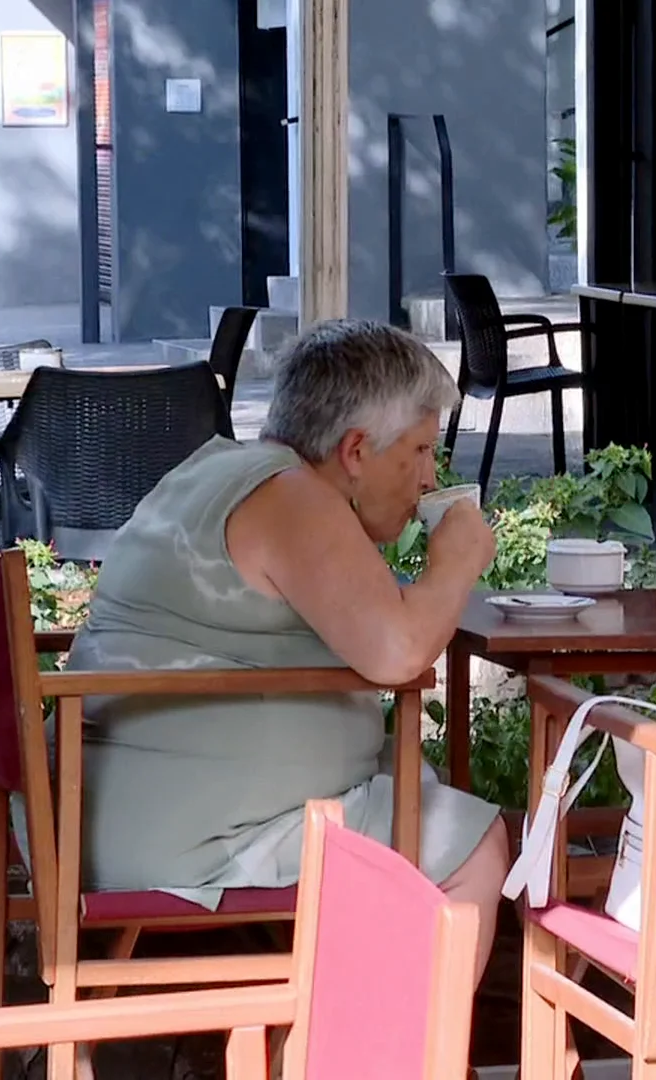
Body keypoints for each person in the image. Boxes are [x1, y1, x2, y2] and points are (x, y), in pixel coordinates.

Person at [66, 319, 510, 980]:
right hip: (193, 839)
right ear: (356, 450)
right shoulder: (293, 499)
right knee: (473, 844)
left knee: (417, 793)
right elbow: (397, 652)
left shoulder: (227, 470)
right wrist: (458, 559)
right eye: (418, 451)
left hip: (126, 813)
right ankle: (406, 1062)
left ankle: (347, 1045)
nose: (428, 477)